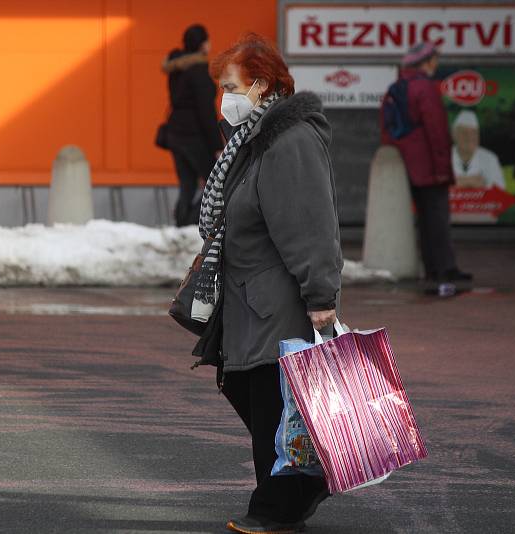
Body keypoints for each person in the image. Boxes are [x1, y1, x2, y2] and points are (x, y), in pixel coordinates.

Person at [190, 32, 342, 533]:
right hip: (248, 298)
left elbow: (309, 223)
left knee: (269, 398)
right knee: (245, 386)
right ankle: (304, 483)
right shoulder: (252, 142)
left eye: (230, 87)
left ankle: (275, 507)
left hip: (276, 298)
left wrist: (321, 298)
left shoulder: (288, 142)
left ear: (261, 86)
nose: (224, 100)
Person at [380, 41, 472, 293]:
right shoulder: (425, 88)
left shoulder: (395, 89)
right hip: (429, 165)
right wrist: (443, 168)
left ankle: (432, 267)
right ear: (425, 62)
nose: (436, 64)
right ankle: (445, 269)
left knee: (424, 218)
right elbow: (437, 131)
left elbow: (387, 130)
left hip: (407, 163)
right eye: (434, 60)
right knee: (438, 217)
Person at [161, 24, 223, 226]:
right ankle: (190, 220)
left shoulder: (177, 70)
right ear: (202, 44)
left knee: (187, 183)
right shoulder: (198, 73)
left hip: (175, 134)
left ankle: (181, 224)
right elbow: (206, 112)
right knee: (216, 182)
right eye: (208, 40)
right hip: (193, 137)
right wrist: (217, 146)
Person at [451, 110, 506, 190]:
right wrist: (472, 182)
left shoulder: (490, 158)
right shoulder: (444, 158)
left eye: (473, 133)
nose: (469, 137)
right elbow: (437, 192)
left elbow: (500, 192)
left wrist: (459, 182)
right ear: (454, 135)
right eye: (464, 132)